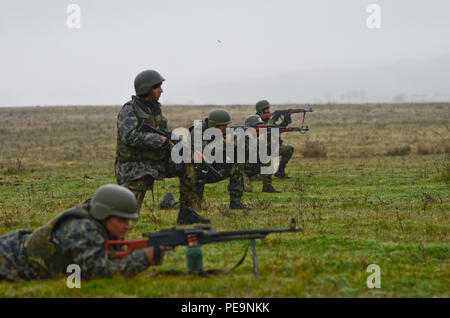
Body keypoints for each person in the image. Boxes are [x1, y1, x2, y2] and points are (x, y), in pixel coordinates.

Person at [0, 184, 164, 282]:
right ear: (103, 214)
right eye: (122, 220)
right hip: (8, 258)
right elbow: (97, 272)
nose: (127, 227)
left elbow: (102, 256)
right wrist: (144, 257)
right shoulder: (82, 229)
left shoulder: (97, 223)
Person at [115, 69, 209, 224]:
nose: (161, 90)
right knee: (127, 217)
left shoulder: (155, 111)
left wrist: (184, 149)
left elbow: (165, 135)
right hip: (134, 166)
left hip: (156, 162)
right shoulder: (129, 110)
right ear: (146, 89)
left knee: (188, 163)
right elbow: (129, 136)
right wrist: (159, 140)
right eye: (157, 87)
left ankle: (187, 212)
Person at [187, 109, 252, 210]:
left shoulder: (221, 132)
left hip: (213, 170)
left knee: (236, 164)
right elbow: (205, 153)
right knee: (193, 207)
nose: (226, 128)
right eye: (223, 126)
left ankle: (236, 203)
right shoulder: (198, 132)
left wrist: (243, 143)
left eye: (226, 125)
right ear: (214, 125)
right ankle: (169, 203)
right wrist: (225, 143)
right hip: (197, 173)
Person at [242, 114, 281, 193]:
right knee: (248, 190)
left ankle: (267, 187)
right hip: (243, 171)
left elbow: (271, 152)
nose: (261, 128)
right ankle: (241, 181)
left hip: (255, 170)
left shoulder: (263, 135)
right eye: (258, 126)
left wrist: (271, 139)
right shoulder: (243, 136)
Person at [255, 100, 294, 179]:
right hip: (260, 150)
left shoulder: (268, 120)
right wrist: (275, 116)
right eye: (266, 109)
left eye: (268, 109)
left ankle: (280, 172)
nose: (268, 111)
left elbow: (277, 128)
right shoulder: (255, 119)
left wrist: (286, 119)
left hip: (271, 147)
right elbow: (266, 127)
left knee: (289, 149)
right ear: (260, 110)